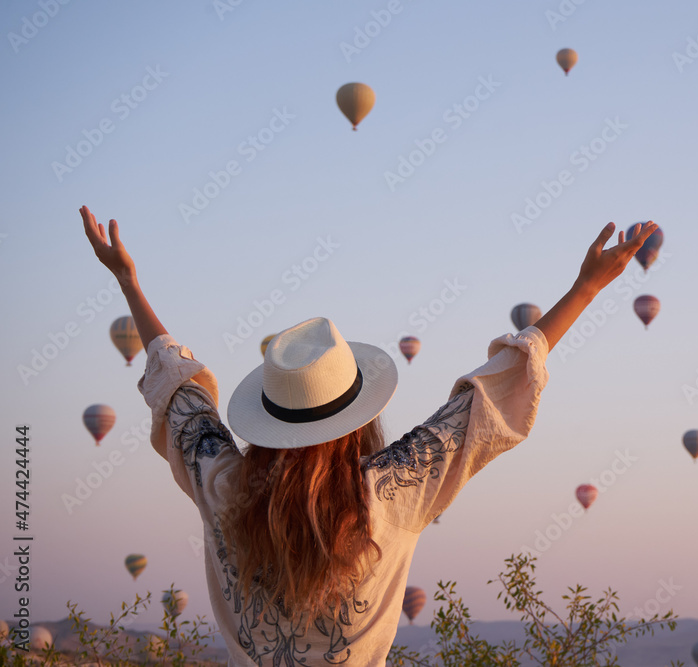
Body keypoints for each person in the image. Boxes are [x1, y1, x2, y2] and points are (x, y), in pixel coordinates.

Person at [81, 205, 658, 666]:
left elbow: (181, 392)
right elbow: (487, 397)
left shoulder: (224, 487)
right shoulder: (391, 493)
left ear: (268, 415)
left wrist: (128, 282)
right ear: (356, 418)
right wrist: (584, 289)